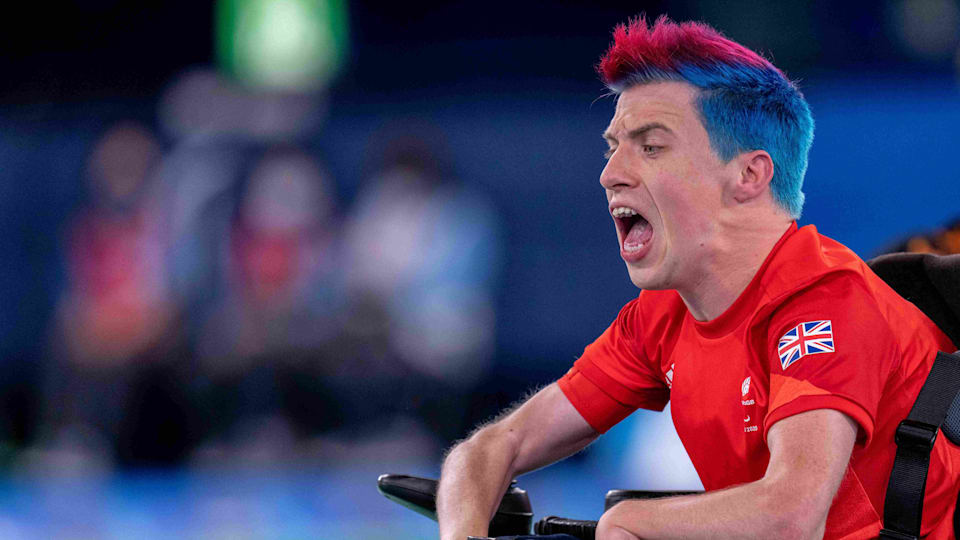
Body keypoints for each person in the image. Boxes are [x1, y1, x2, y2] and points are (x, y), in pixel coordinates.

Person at [436, 15, 959, 540]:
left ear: (749, 175)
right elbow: (492, 447)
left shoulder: (824, 302)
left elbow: (792, 516)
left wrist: (628, 523)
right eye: (612, 146)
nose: (610, 173)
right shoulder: (662, 316)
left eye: (650, 146)